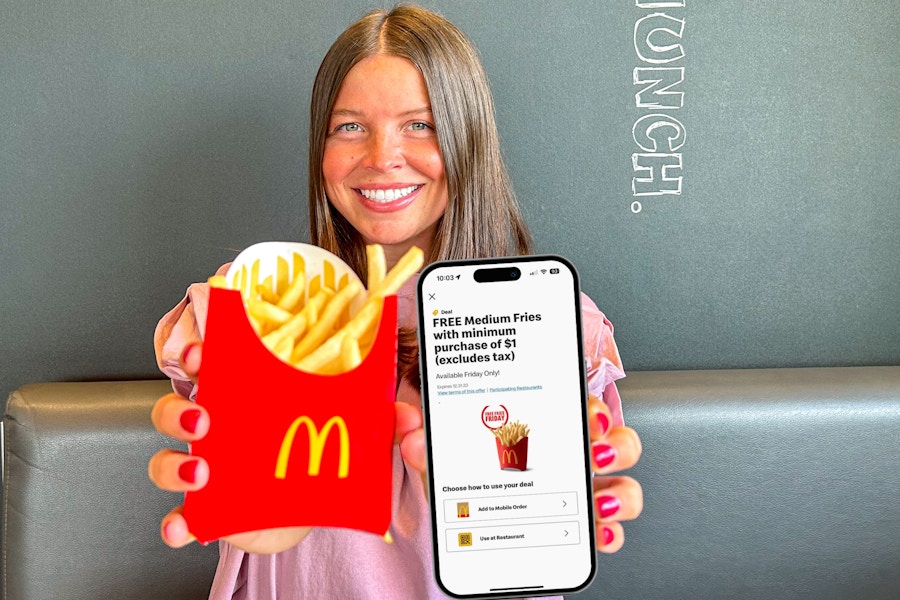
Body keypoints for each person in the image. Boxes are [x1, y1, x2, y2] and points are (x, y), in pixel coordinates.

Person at [149, 5, 643, 599]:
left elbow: (549, 515)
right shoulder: (257, 298)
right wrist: (254, 494)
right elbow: (264, 526)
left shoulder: (549, 323)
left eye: (421, 124)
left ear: (469, 139)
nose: (382, 156)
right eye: (349, 126)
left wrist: (562, 499)